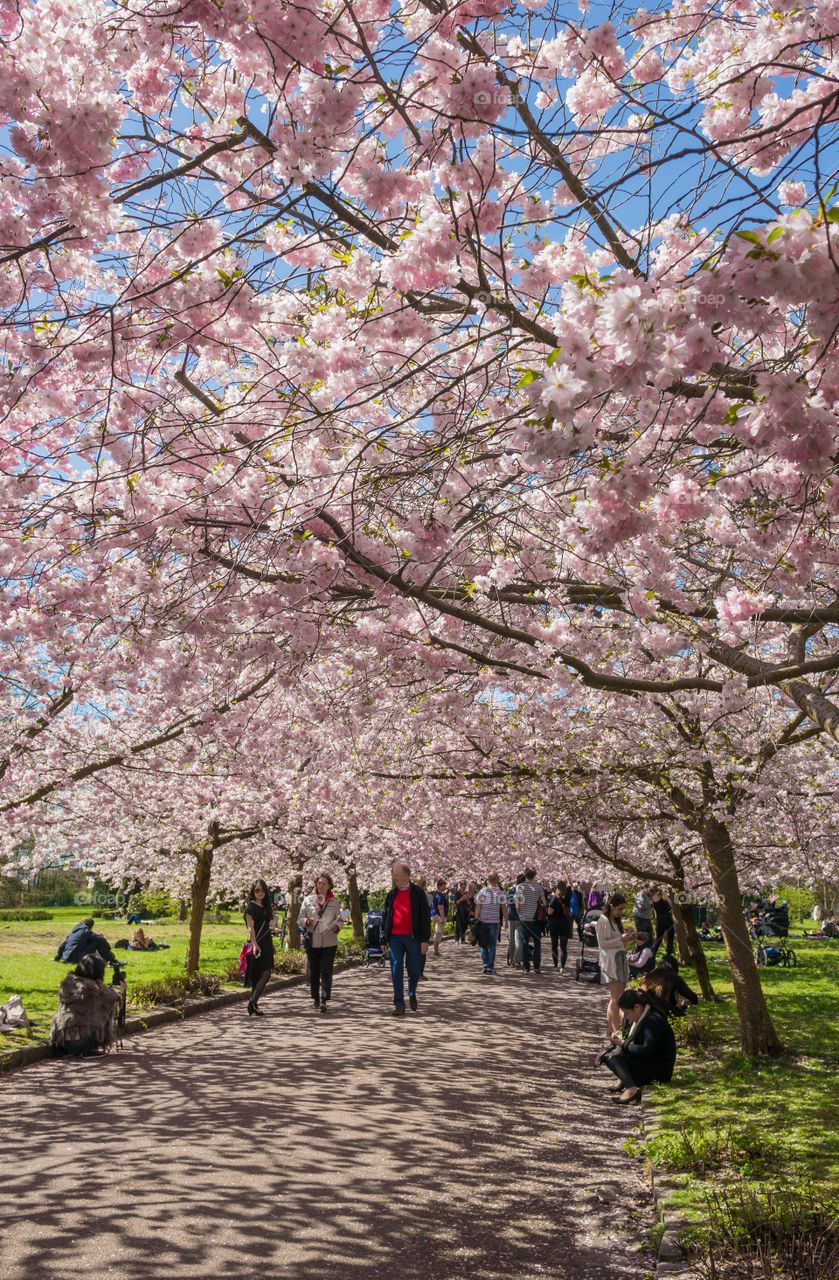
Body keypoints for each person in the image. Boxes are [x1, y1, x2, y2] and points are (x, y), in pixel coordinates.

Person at [597, 988, 677, 1104]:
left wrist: (624, 1044)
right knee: (610, 1053)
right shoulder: (646, 1017)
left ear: (637, 1007)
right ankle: (626, 1083)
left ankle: (632, 1089)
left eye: (627, 1013)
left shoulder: (652, 1021)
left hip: (658, 1072)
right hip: (652, 1064)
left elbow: (646, 1050)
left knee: (611, 1057)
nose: (627, 1017)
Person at [382, 860, 432, 1014]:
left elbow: (425, 917)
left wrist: (425, 940)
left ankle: (411, 992)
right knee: (396, 967)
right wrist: (383, 939)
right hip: (395, 937)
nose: (395, 877)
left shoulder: (418, 893)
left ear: (406, 875)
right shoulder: (391, 894)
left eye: (397, 874)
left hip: (413, 937)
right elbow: (385, 917)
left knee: (415, 970)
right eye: (394, 875)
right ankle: (399, 1003)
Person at [49, 953, 123, 1055]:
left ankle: (71, 1047)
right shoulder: (94, 989)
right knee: (103, 1011)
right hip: (84, 1041)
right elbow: (112, 998)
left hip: (61, 1040)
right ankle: (89, 1047)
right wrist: (121, 990)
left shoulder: (68, 983)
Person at [298, 873, 342, 1013]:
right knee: (315, 971)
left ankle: (324, 999)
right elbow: (299, 919)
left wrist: (337, 927)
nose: (321, 885)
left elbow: (340, 919)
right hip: (313, 942)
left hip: (329, 941)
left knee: (327, 970)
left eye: (324, 883)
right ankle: (315, 998)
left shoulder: (334, 902)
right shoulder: (308, 900)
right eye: (319, 883)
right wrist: (306, 922)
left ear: (329, 885)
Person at [595, 893, 635, 1036]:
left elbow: (620, 942)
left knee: (617, 997)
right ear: (611, 906)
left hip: (619, 959)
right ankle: (616, 1031)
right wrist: (621, 939)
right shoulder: (603, 921)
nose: (621, 912)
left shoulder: (616, 921)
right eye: (619, 909)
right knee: (617, 999)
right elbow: (603, 944)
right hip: (611, 963)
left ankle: (611, 1030)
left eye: (623, 909)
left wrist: (633, 939)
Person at [243, 878, 277, 1017]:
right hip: (257, 943)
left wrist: (274, 917)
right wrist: (255, 944)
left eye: (262, 890)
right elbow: (250, 928)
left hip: (267, 942)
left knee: (263, 973)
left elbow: (271, 926)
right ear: (253, 891)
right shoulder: (251, 906)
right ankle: (253, 1002)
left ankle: (254, 1004)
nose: (260, 893)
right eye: (257, 890)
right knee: (264, 973)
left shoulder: (266, 907)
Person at [474, 873, 508, 974]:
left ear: (488, 880)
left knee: (483, 944)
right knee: (492, 945)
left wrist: (476, 919)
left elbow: (478, 907)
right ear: (497, 880)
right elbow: (504, 908)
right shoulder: (500, 893)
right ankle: (490, 966)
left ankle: (485, 965)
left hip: (483, 922)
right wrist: (506, 921)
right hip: (495, 922)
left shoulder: (482, 891)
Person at [515, 868, 547, 974]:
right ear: (534, 875)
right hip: (535, 919)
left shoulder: (520, 887)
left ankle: (526, 967)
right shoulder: (538, 887)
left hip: (524, 918)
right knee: (537, 942)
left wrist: (519, 914)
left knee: (524, 942)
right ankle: (537, 966)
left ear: (525, 875)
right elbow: (544, 902)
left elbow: (518, 903)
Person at [547, 881, 573, 972]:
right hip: (565, 924)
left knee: (554, 945)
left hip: (554, 924)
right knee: (563, 947)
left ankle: (555, 964)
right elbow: (571, 886)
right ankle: (562, 966)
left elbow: (550, 912)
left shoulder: (554, 898)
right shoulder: (568, 897)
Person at [651, 887, 675, 958]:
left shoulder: (654, 899)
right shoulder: (663, 897)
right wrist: (665, 895)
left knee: (659, 939)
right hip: (667, 920)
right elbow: (671, 904)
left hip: (661, 921)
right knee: (670, 938)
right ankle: (668, 955)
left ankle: (653, 955)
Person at [506, 875, 523, 966]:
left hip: (510, 916)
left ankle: (511, 959)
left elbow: (507, 904)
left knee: (511, 939)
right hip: (519, 917)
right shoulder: (523, 890)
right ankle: (517, 960)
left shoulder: (511, 890)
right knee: (518, 939)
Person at [431, 878, 448, 956]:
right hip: (438, 915)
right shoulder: (440, 895)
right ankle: (436, 950)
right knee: (439, 933)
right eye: (444, 886)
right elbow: (440, 907)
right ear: (440, 886)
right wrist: (443, 918)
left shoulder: (435, 894)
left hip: (434, 914)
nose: (445, 887)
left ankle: (436, 949)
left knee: (438, 932)